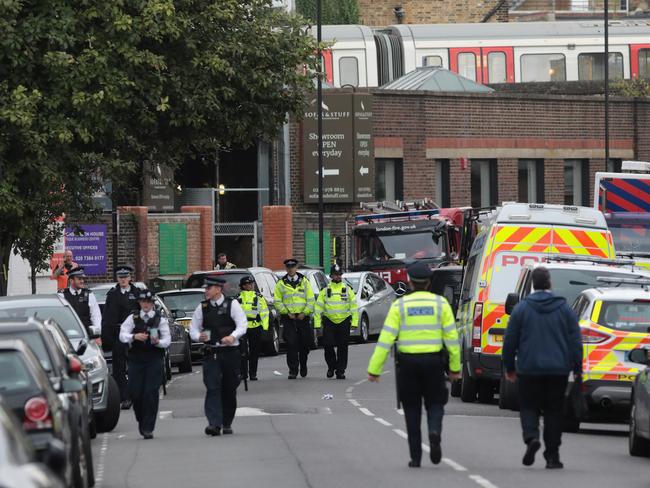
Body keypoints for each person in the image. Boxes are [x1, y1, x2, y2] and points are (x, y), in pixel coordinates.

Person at [367, 261, 461, 468]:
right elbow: (452, 339)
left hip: (408, 365)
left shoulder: (400, 306)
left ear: (409, 282)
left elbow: (386, 339)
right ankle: (434, 430)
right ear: (429, 283)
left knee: (411, 409)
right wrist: (455, 368)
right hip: (434, 362)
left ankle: (416, 457)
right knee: (436, 403)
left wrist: (374, 369)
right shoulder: (441, 304)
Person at [502, 266, 582, 470]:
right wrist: (577, 367)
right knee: (554, 412)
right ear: (550, 284)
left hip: (529, 369)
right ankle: (552, 456)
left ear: (532, 285)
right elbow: (575, 341)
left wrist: (510, 367)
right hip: (558, 370)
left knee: (528, 406)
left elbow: (510, 341)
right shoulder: (564, 309)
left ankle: (531, 438)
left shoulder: (521, 309)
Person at [189, 276, 247, 436]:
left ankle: (227, 422)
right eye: (206, 288)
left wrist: (233, 337)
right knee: (212, 387)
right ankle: (214, 423)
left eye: (209, 288)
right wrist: (197, 336)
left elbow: (242, 324)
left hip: (230, 352)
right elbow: (193, 328)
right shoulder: (203, 307)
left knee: (229, 388)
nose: (206, 291)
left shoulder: (232, 304)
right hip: (211, 352)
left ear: (218, 289)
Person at [119, 290, 170, 439]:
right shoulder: (133, 318)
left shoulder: (160, 320)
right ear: (140, 303)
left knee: (151, 393)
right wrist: (134, 336)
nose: (146, 304)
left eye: (149, 302)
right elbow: (122, 335)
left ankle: (148, 427)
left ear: (153, 303)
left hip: (154, 359)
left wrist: (158, 342)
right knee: (136, 393)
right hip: (136, 360)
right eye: (143, 302)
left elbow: (167, 340)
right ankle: (141, 419)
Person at [102, 265, 140, 410]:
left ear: (130, 278)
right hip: (118, 334)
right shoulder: (112, 294)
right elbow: (107, 317)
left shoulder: (137, 293)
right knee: (119, 368)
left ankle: (135, 394)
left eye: (125, 277)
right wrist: (107, 339)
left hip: (135, 335)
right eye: (120, 277)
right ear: (117, 278)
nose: (123, 280)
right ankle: (125, 396)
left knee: (134, 366)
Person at [314, 265, 357, 379]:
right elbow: (318, 308)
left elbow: (354, 307)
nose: (337, 277)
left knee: (343, 348)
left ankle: (340, 371)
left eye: (339, 274)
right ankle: (331, 366)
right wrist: (317, 324)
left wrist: (355, 322)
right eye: (335, 274)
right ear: (331, 275)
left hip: (344, 321)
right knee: (328, 345)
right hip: (329, 321)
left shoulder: (347, 289)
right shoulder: (325, 290)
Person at [274, 259, 315, 379]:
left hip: (303, 317)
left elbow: (311, 299)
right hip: (289, 318)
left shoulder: (304, 282)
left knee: (304, 344)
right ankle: (293, 370)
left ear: (296, 267)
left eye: (293, 266)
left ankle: (303, 364)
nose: (291, 269)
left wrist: (305, 312)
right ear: (286, 268)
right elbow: (277, 301)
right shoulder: (281, 284)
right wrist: (286, 313)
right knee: (291, 344)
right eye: (288, 267)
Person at [237, 276, 269, 381]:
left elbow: (264, 313)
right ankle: (243, 373)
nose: (250, 286)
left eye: (251, 284)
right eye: (247, 284)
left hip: (255, 326)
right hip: (242, 328)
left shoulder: (259, 297)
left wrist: (265, 328)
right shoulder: (237, 298)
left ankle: (253, 373)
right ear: (243, 286)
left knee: (254, 352)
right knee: (242, 351)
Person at [58, 266, 102, 338]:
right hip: (68, 336)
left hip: (87, 335)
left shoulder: (89, 295)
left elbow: (96, 315)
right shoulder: (62, 295)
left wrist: (97, 334)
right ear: (71, 280)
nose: (82, 281)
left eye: (82, 279)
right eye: (79, 279)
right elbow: (59, 317)